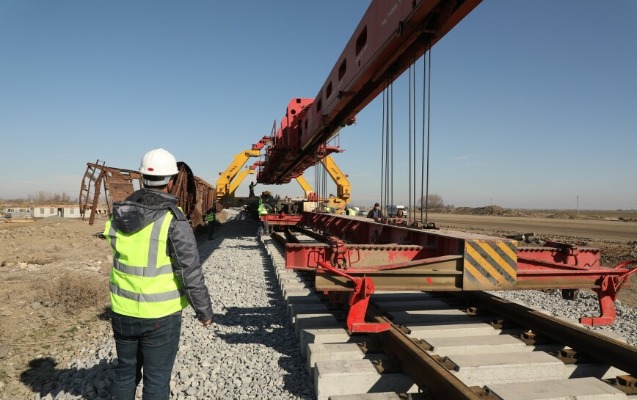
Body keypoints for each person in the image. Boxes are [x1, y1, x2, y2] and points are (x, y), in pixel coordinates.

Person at [104, 148, 213, 400]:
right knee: (156, 379)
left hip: (122, 310)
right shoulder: (173, 219)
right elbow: (189, 270)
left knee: (125, 372)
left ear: (142, 177)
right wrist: (203, 311)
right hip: (160, 316)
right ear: (171, 181)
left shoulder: (118, 214)